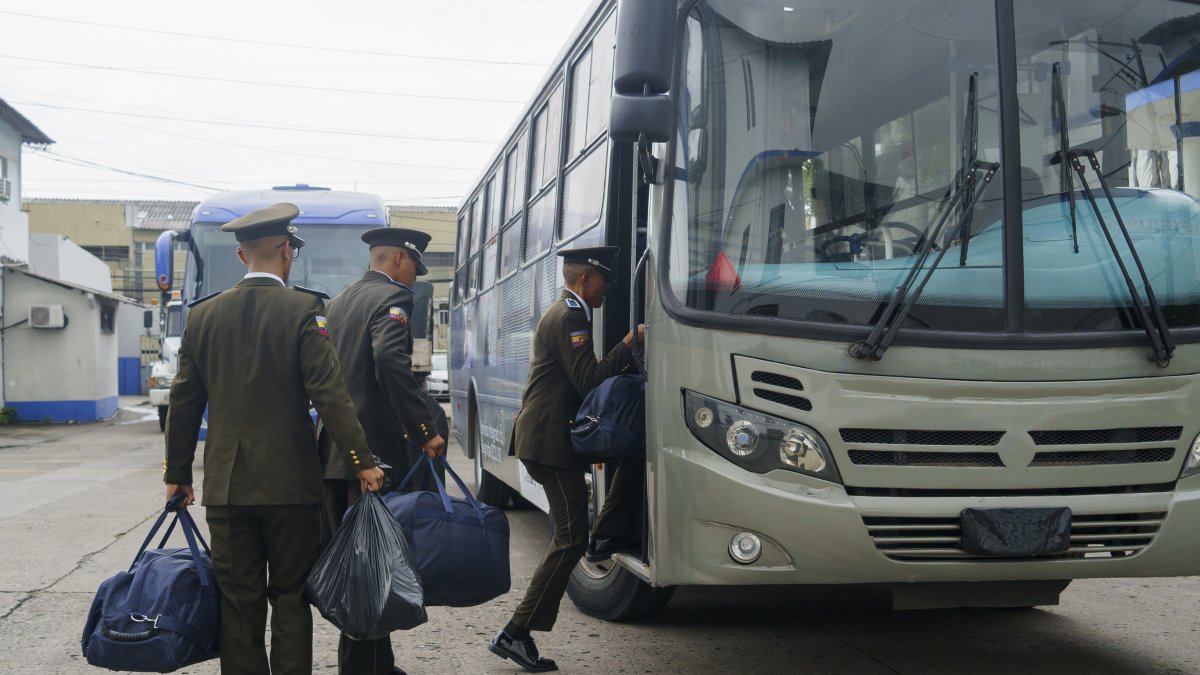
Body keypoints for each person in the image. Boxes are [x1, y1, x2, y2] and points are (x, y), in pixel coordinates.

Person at [162, 203, 385, 675]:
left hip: (227, 487)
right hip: (290, 486)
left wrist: (177, 475)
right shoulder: (304, 309)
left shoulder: (202, 317)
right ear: (287, 251)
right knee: (289, 598)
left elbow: (183, 404)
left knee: (239, 604)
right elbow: (330, 393)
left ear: (243, 256)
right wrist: (361, 460)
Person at [488, 245, 644, 673]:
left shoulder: (565, 312)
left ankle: (519, 631)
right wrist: (629, 344)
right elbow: (590, 379)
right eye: (605, 281)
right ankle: (515, 632)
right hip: (548, 445)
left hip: (548, 440)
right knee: (570, 538)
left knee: (573, 535)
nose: (608, 290)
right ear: (585, 280)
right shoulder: (570, 316)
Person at [322, 226, 447, 675]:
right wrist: (424, 429)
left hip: (337, 454)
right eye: (414, 265)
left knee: (368, 561)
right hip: (373, 456)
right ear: (397, 258)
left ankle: (379, 662)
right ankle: (360, 669)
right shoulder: (394, 299)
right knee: (368, 567)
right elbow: (391, 363)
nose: (415, 276)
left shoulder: (338, 302)